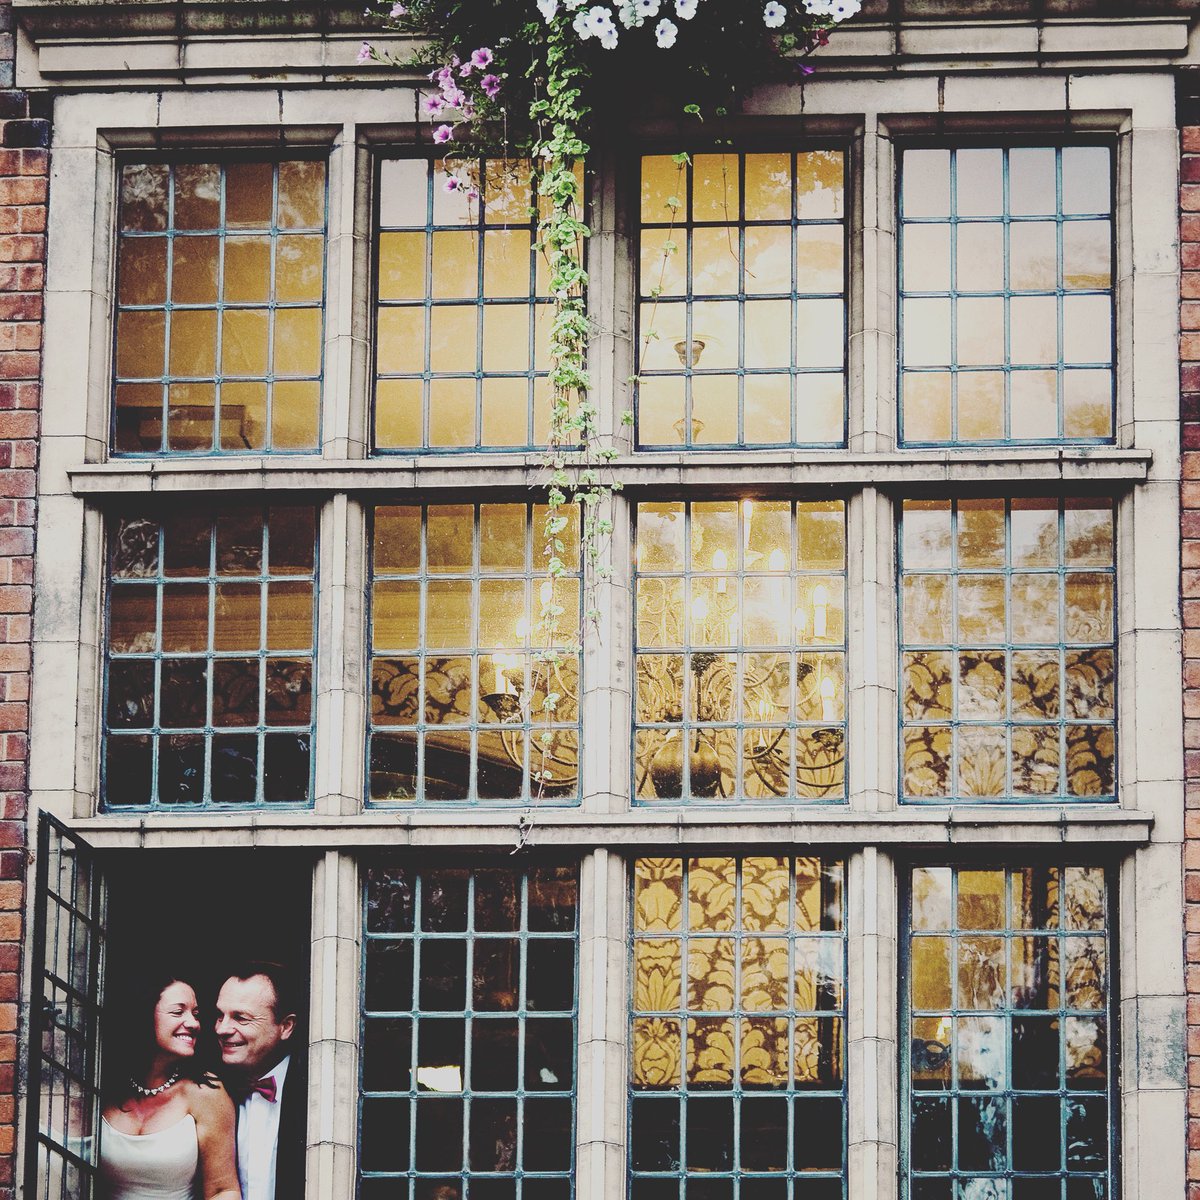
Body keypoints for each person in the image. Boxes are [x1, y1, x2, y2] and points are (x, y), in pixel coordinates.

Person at [99, 970, 240, 1200]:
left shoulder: (205, 1091)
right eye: (178, 1012)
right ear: (143, 1015)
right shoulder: (105, 1086)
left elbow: (223, 1191)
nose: (193, 1023)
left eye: (195, 1014)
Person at [214, 962, 306, 1200]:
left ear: (285, 1027)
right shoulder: (208, 1091)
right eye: (219, 1016)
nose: (222, 1029)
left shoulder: (312, 1090)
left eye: (240, 1018)